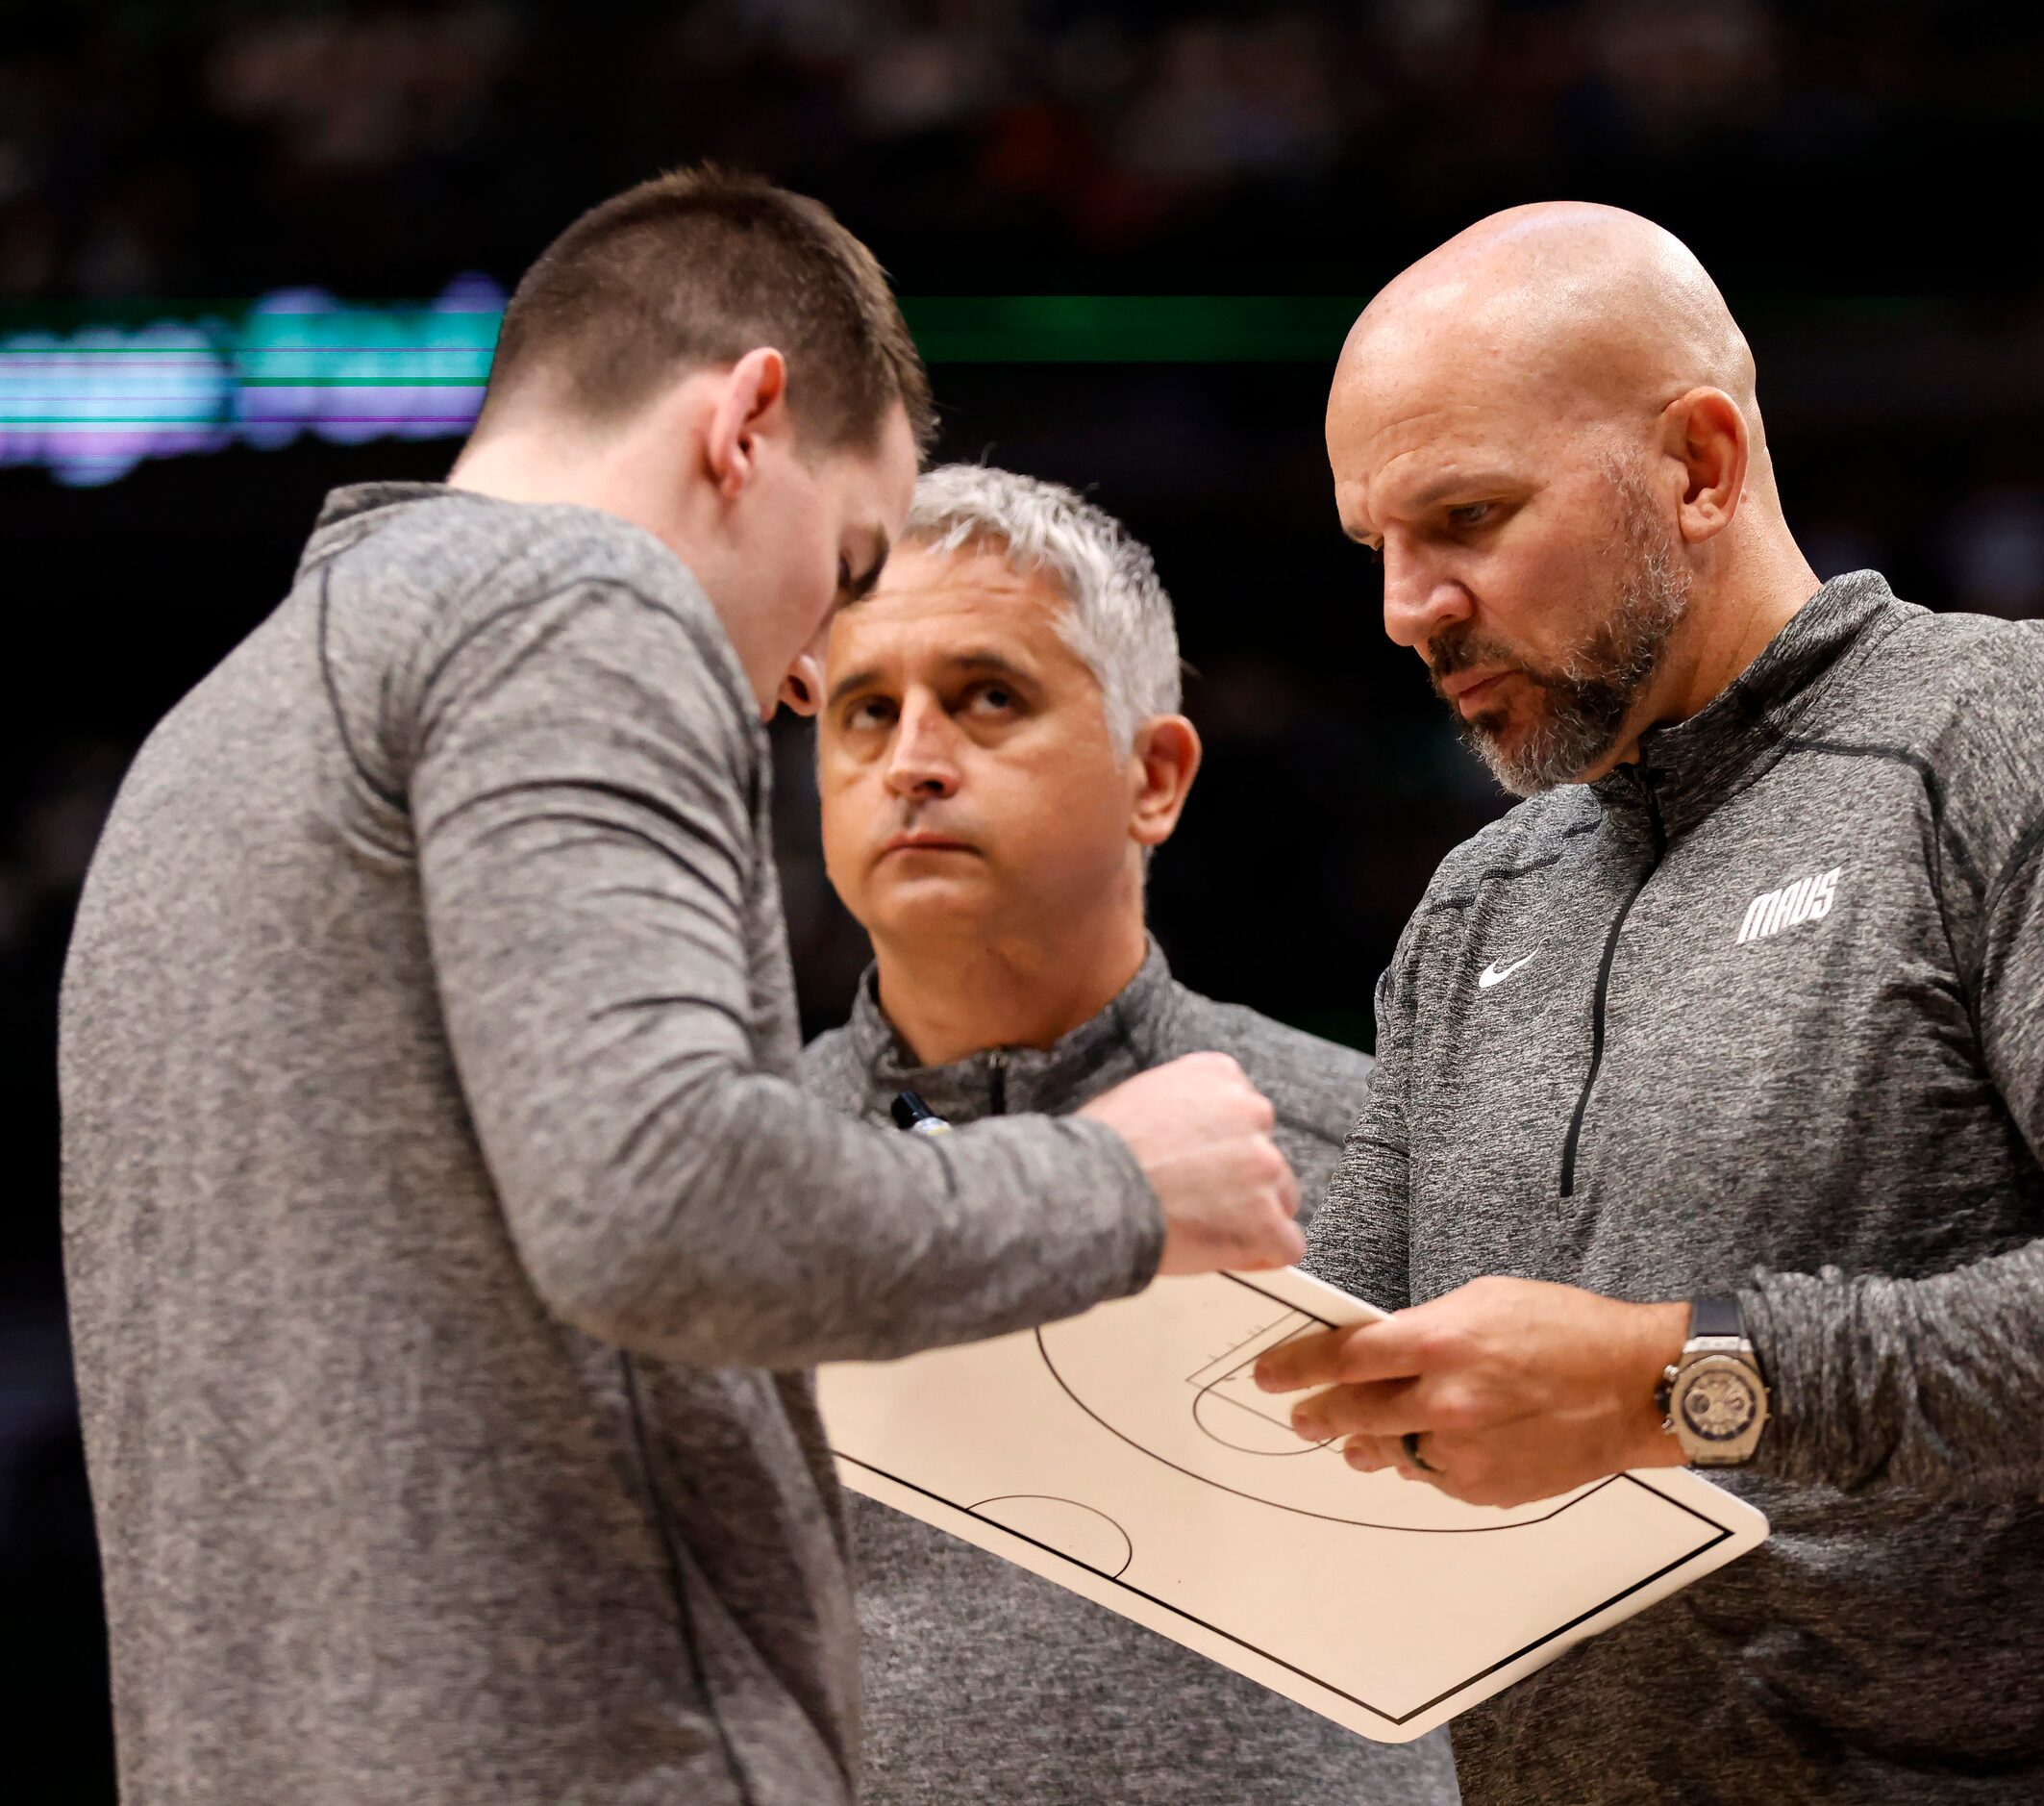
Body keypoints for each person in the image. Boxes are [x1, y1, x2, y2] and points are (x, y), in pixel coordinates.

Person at [57, 171, 1302, 1806]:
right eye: (851, 565)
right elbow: (656, 1198)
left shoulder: (209, 735)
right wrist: (1118, 1184)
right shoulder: (579, 597)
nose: (806, 675)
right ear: (747, 423)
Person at [1253, 201, 2044, 1804]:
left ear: (1702, 467)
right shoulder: (1472, 908)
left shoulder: (2029, 742)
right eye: (1378, 545)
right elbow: (1345, 1391)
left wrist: (1677, 1379)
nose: (1407, 607)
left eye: (1465, 517)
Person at [780, 463, 1459, 1806]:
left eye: (987, 697)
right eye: (866, 711)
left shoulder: (1377, 1142)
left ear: (1155, 776)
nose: (912, 758)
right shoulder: (716, 1180)